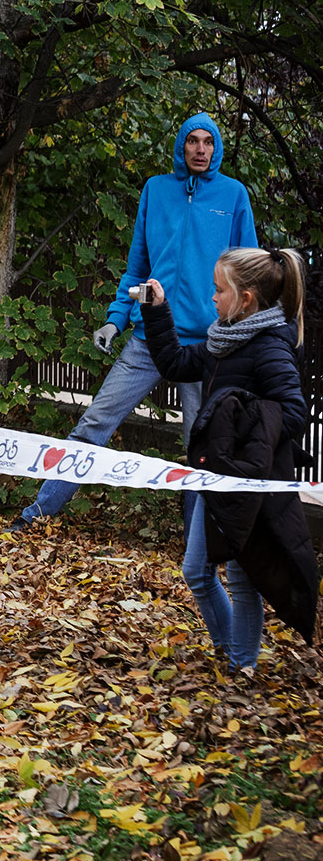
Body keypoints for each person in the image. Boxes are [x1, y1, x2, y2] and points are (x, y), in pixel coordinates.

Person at [10, 112, 258, 531]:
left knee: (199, 448)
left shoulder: (233, 196)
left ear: (216, 148)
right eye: (193, 141)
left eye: (208, 142)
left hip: (205, 345)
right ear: (181, 147)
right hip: (150, 337)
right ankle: (40, 512)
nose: (200, 149)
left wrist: (237, 331)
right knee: (94, 422)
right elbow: (136, 269)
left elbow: (248, 273)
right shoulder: (156, 190)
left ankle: (195, 548)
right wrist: (115, 319)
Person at [141, 247, 313, 671]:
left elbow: (293, 413)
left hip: (244, 482)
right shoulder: (224, 337)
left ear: (247, 299)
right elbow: (175, 363)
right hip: (211, 472)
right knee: (196, 571)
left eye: (220, 290)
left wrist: (236, 418)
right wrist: (157, 312)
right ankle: (228, 651)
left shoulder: (270, 346)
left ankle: (241, 667)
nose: (213, 298)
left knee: (241, 579)